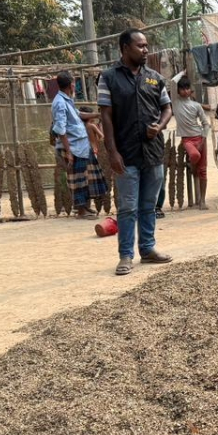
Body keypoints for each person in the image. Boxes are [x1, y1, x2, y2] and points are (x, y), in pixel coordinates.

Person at [99, 28, 174, 275]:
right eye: (140, 46)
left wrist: (159, 127)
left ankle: (148, 249)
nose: (145, 50)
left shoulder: (155, 78)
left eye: (146, 45)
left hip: (153, 152)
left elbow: (167, 108)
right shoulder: (108, 78)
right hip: (126, 154)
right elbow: (106, 116)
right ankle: (125, 255)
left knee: (149, 205)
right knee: (128, 207)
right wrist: (112, 152)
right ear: (125, 48)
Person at [49, 71, 106, 219]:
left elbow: (79, 114)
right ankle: (81, 211)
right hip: (73, 148)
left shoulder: (67, 100)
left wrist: (97, 115)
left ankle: (85, 207)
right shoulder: (60, 103)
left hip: (80, 146)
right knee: (77, 179)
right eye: (74, 83)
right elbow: (60, 130)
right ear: (71, 85)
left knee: (85, 178)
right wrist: (68, 152)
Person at [172, 76, 211, 210]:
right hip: (187, 140)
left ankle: (202, 201)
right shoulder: (175, 102)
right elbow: (172, 82)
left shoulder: (196, 106)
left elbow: (206, 124)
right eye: (182, 88)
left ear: (191, 90)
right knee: (195, 155)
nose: (185, 91)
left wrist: (203, 140)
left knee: (203, 171)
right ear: (178, 90)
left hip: (200, 138)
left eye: (187, 88)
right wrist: (182, 73)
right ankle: (192, 165)